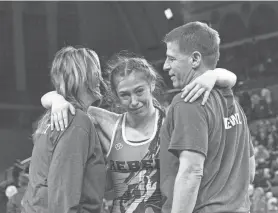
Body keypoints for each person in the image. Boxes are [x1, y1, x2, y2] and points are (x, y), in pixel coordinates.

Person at [41, 52, 237, 213]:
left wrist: (211, 75)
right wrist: (56, 100)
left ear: (151, 85)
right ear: (115, 96)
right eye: (124, 95)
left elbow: (230, 78)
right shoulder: (106, 123)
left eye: (139, 91)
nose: (133, 101)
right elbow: (70, 101)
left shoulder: (172, 121)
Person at [160, 21, 255, 213]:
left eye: (172, 59)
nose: (165, 65)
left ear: (195, 59)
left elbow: (191, 172)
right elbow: (250, 168)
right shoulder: (232, 101)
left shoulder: (188, 101)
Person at [21, 46, 107, 213]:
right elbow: (63, 192)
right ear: (87, 75)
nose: (99, 76)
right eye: (96, 69)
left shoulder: (54, 118)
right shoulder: (76, 120)